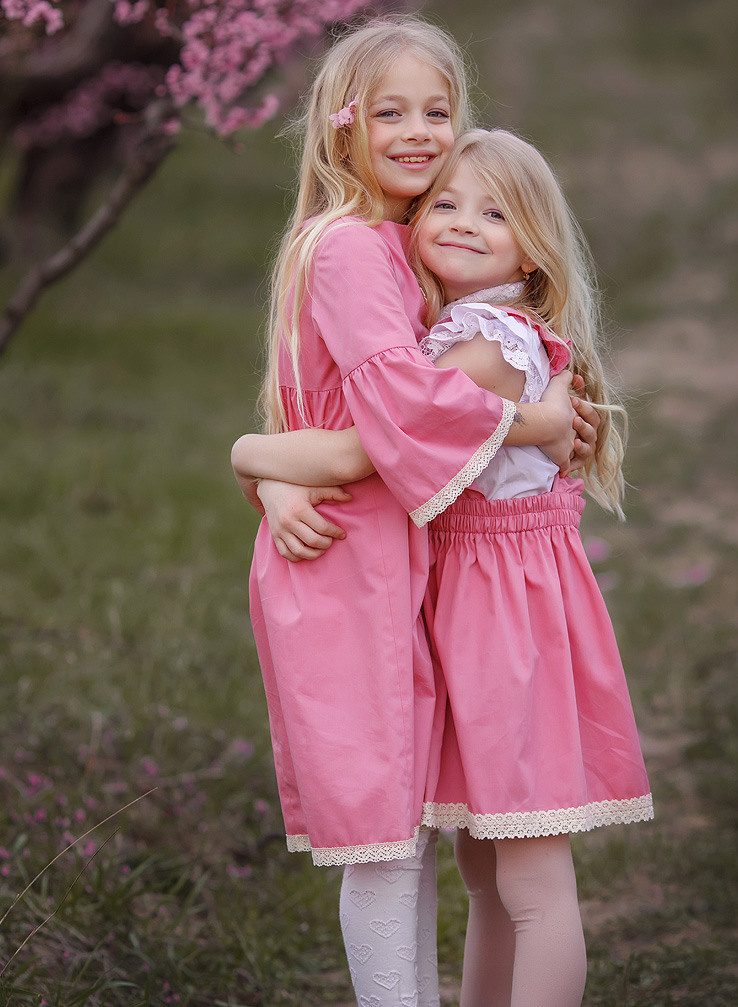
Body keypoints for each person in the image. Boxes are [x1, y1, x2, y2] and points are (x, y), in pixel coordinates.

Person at [238, 128, 653, 1007]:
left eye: (495, 212)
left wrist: (252, 455)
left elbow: (363, 452)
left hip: (506, 625)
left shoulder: (490, 346)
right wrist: (271, 477)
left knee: (533, 884)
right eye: (448, 204)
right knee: (482, 870)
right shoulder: (445, 330)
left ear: (533, 249)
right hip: (460, 615)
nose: (463, 222)